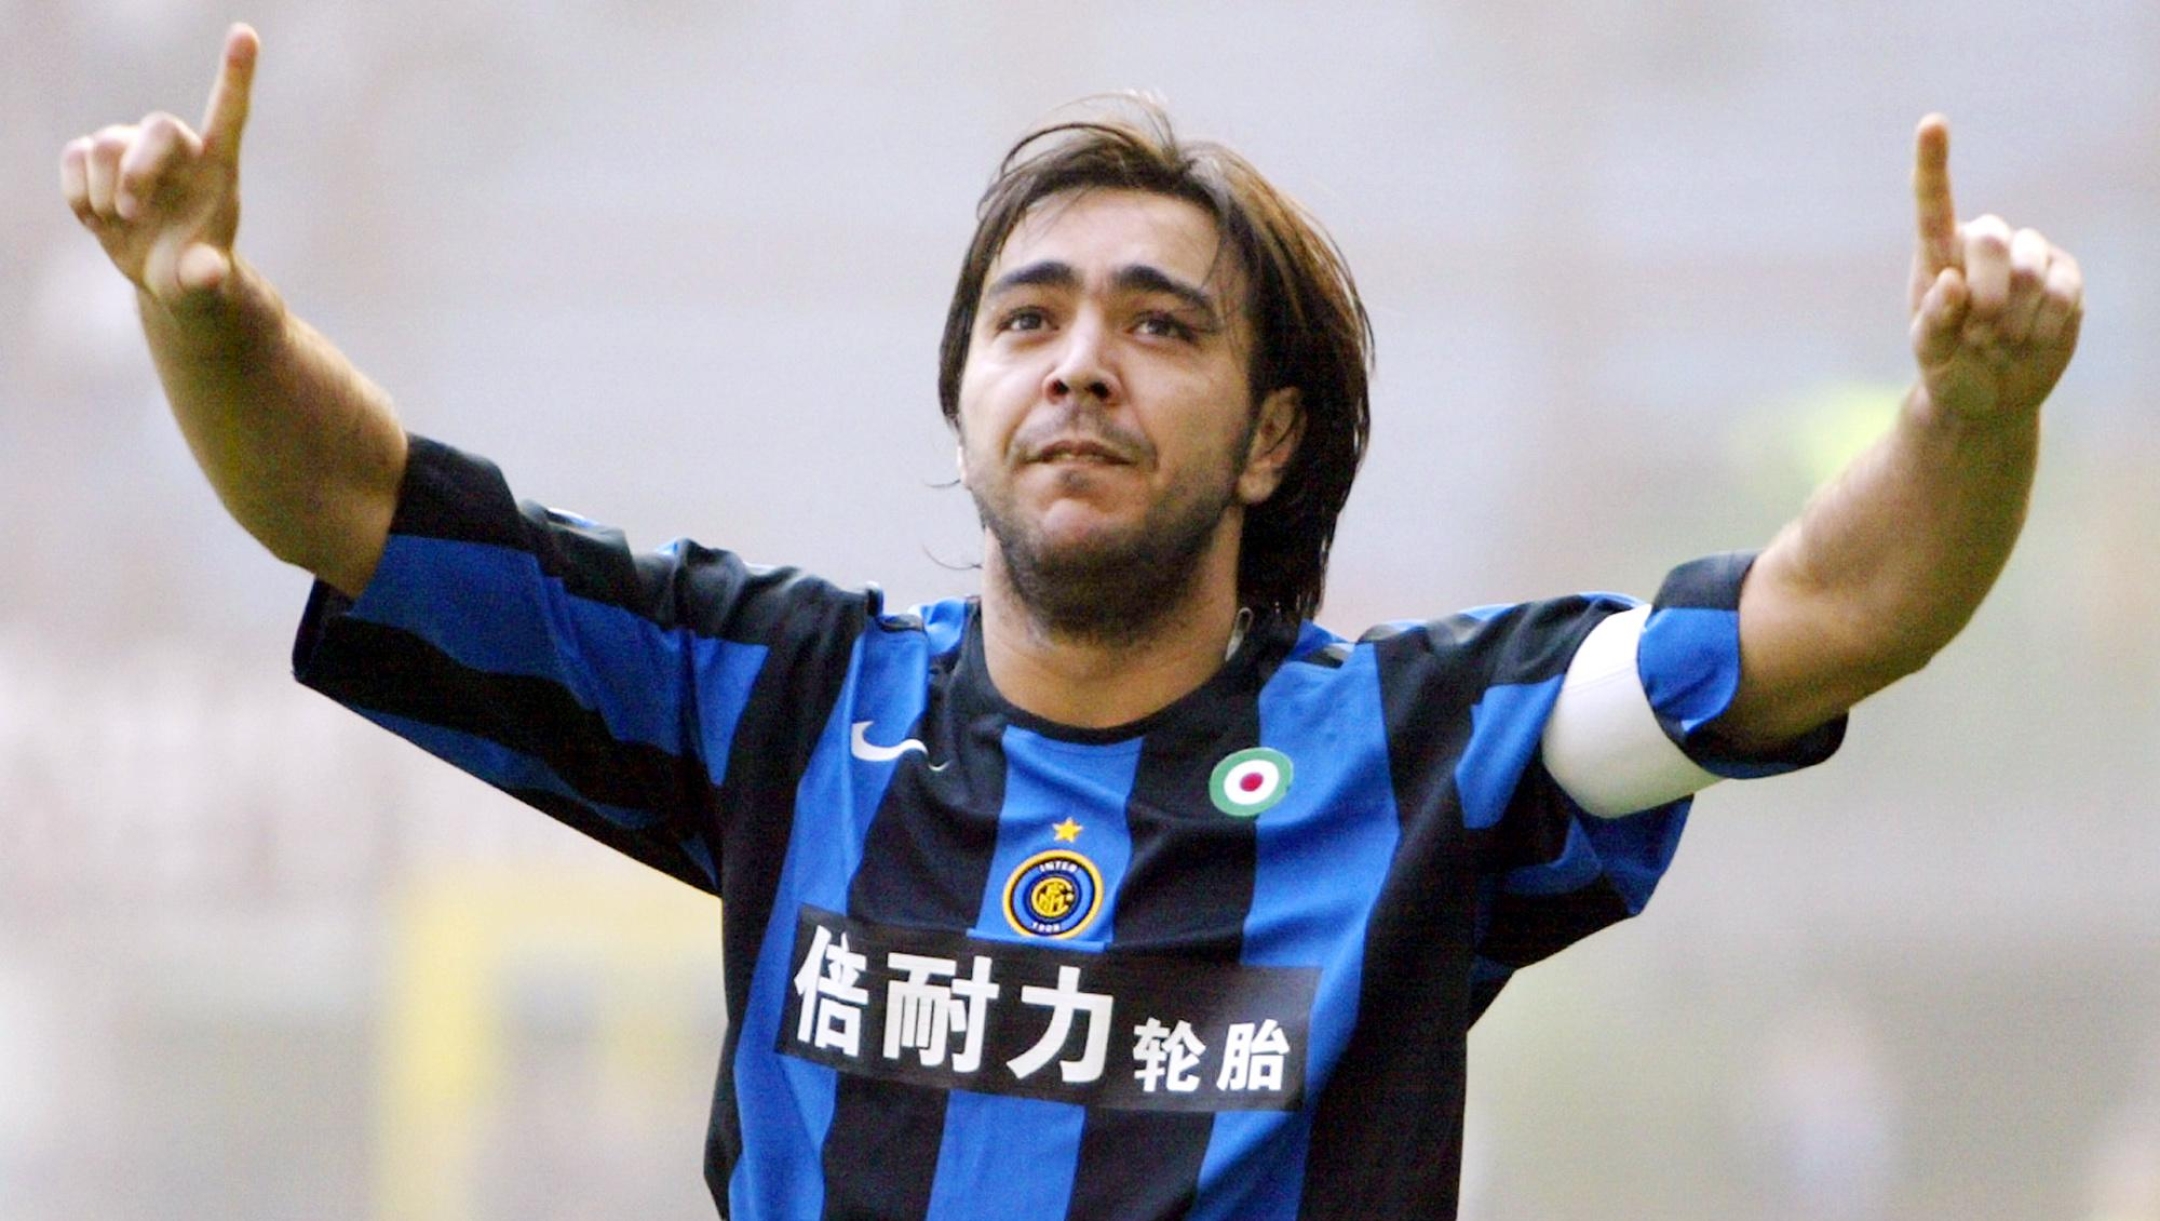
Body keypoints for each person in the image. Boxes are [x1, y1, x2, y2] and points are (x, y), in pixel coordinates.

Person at [60, 23, 2082, 1221]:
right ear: (963, 396)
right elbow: (357, 509)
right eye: (1028, 319)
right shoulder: (777, 698)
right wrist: (203, 310)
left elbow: (1833, 611)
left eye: (1159, 323)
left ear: (1272, 434)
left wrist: (1965, 418)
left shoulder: (1436, 747)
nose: (1081, 363)